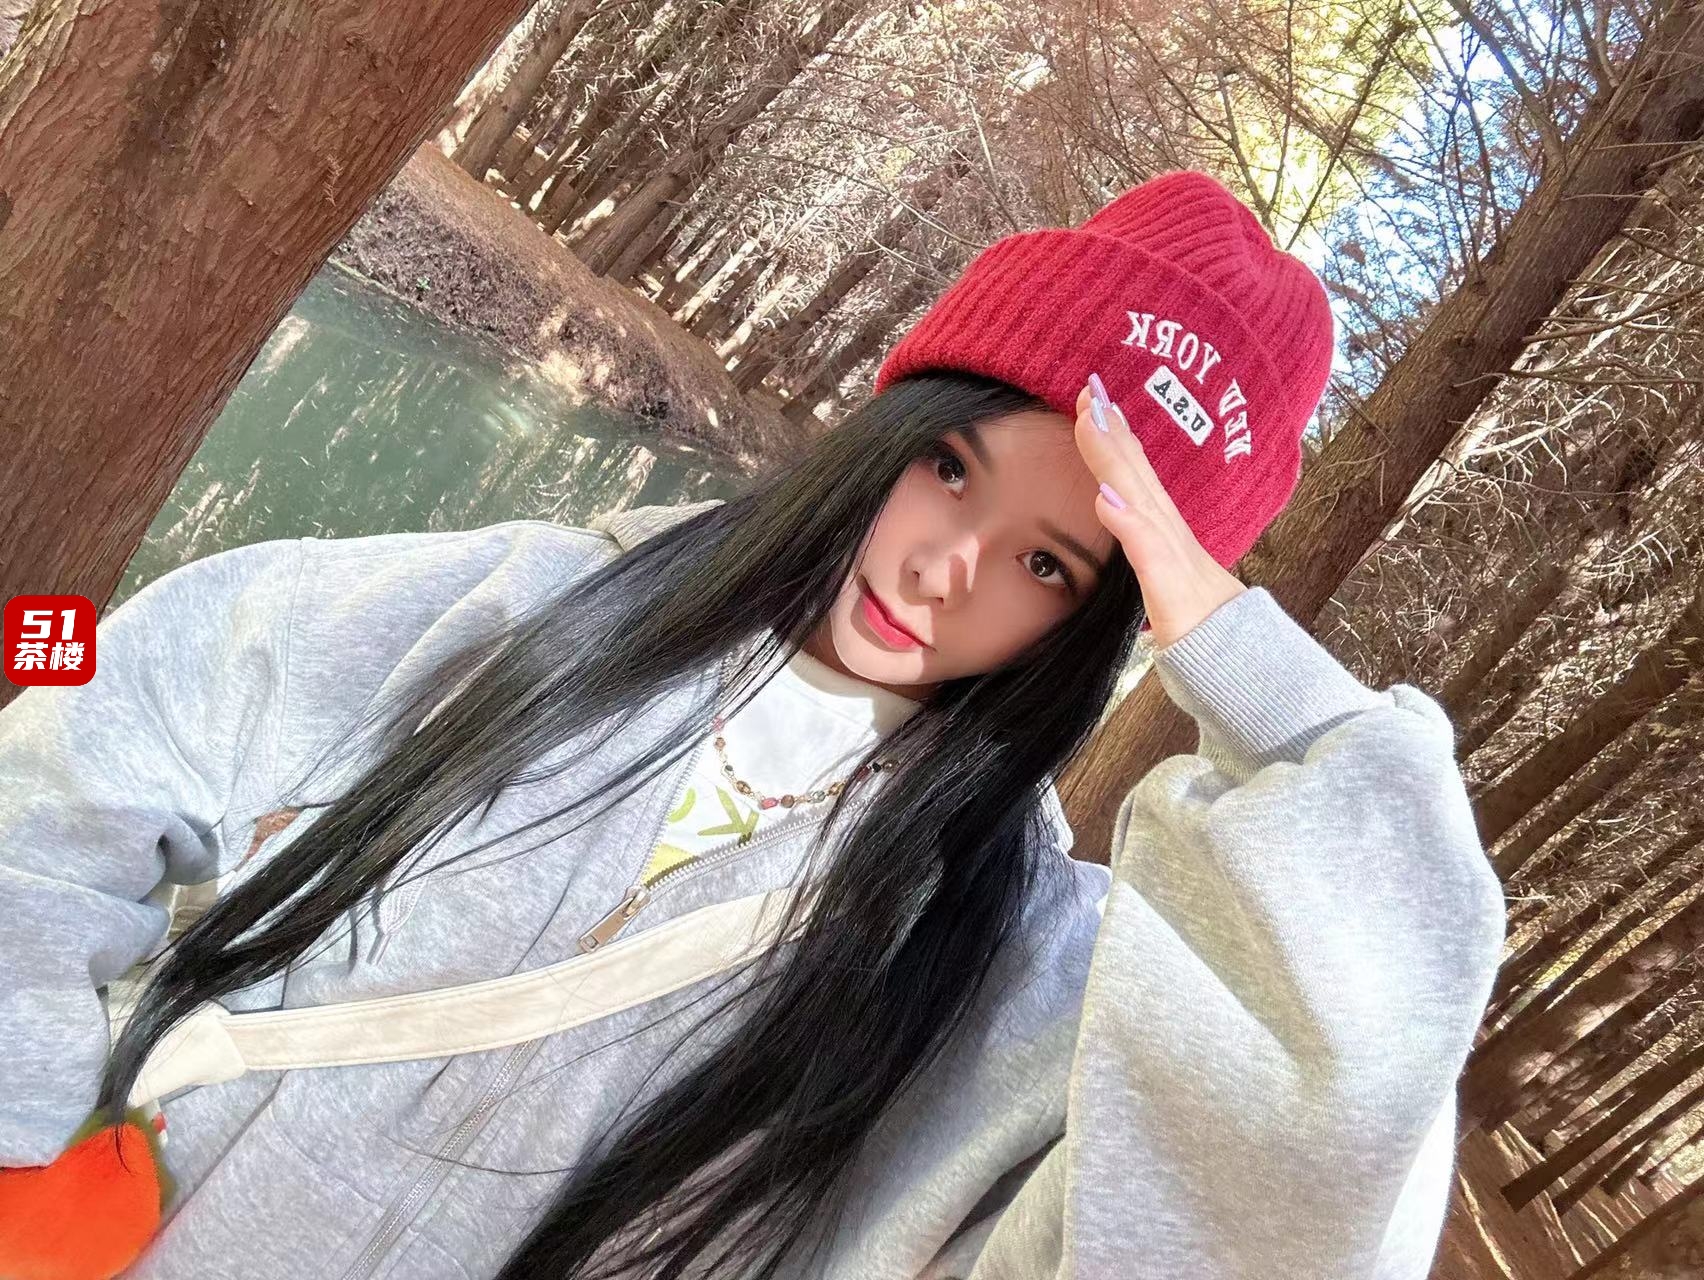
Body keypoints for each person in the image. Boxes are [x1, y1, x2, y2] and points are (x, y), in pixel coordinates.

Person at [0, 169, 1504, 1280]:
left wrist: (1281, 716)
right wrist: (20, 1137)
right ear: (890, 432)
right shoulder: (538, 603)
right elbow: (107, 711)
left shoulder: (1016, 975)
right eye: (953, 469)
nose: (948, 567)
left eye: (1052, 564)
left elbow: (1298, 1195)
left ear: (1109, 627)